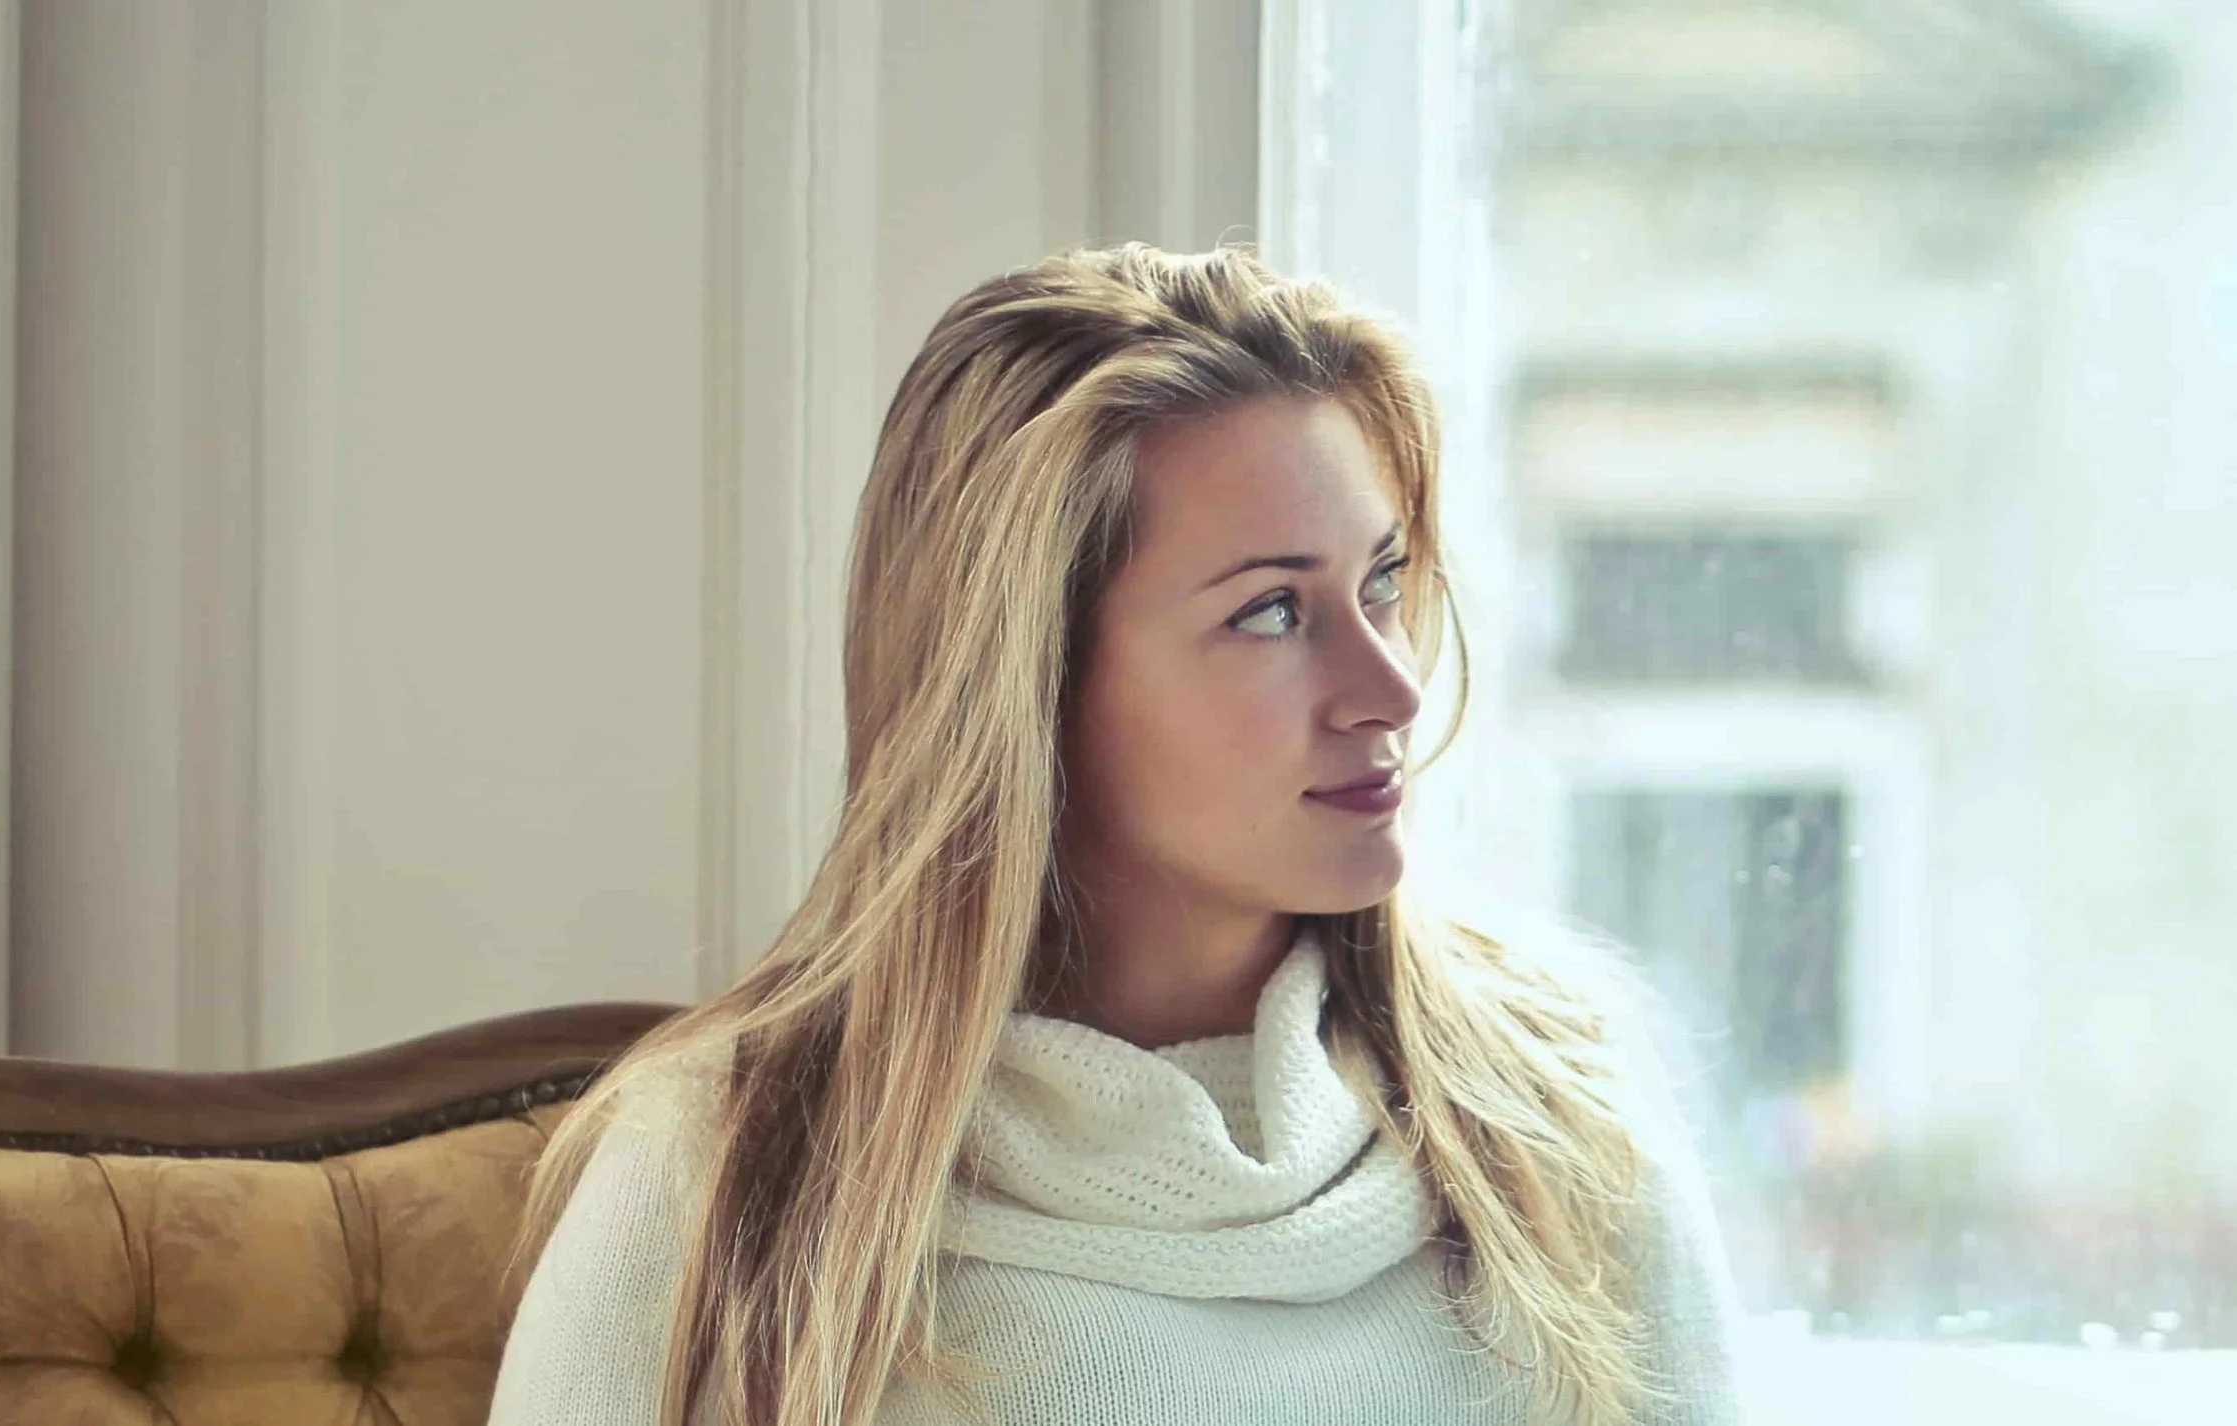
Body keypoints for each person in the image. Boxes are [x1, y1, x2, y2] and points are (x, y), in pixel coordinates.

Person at [487, 245, 1746, 1425]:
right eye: (1269, 614)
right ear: (1027, 681)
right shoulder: (720, 1178)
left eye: (1380, 585)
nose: (1390, 690)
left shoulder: (1554, 1105)